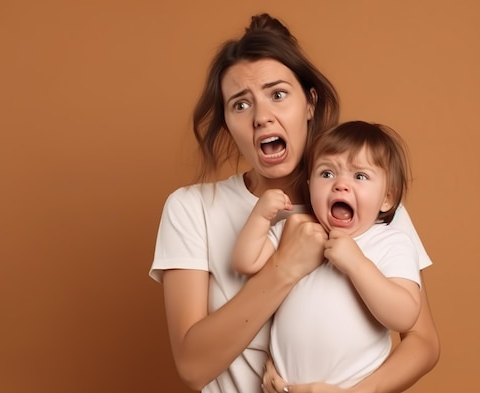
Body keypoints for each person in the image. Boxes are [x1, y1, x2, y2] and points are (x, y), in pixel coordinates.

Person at [149, 13, 439, 393]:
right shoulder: (191, 209)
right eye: (240, 105)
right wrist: (285, 267)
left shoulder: (367, 203)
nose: (262, 117)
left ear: (309, 103)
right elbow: (191, 366)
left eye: (278, 94)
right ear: (227, 122)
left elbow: (423, 342)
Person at [232, 121, 423, 387]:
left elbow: (405, 315)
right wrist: (260, 217)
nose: (340, 185)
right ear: (310, 186)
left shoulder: (391, 242)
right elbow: (245, 261)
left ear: (387, 198)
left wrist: (357, 265)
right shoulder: (296, 231)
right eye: (327, 174)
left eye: (360, 177)